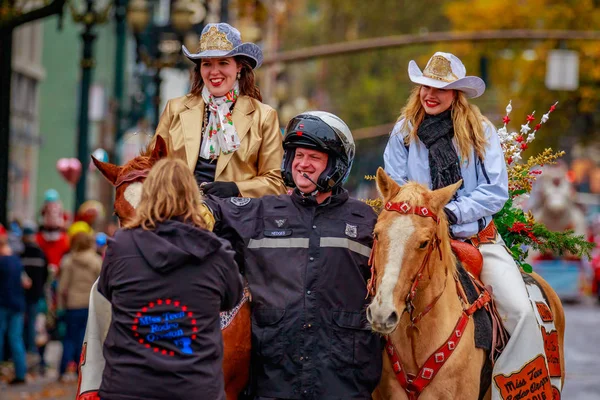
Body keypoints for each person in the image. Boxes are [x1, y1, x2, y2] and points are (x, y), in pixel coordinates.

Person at [383, 52, 558, 397]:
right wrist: (423, 218)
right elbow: (395, 185)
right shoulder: (404, 132)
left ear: (456, 94)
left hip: (476, 241)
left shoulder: (481, 132)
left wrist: (451, 213)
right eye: (425, 87)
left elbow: (496, 192)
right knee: (373, 297)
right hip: (417, 241)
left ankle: (510, 389)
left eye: (440, 89)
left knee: (521, 311)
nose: (430, 95)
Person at [205, 111, 383, 399]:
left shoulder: (367, 222)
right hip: (273, 382)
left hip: (344, 384)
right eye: (298, 155)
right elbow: (199, 213)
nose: (303, 164)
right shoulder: (260, 213)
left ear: (337, 164)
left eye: (314, 157)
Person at [95, 158, 243, 400]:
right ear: (193, 197)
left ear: (148, 194)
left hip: (127, 388)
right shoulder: (217, 253)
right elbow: (231, 298)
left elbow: (107, 291)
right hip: (195, 390)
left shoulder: (120, 247)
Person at [155, 22, 286, 198]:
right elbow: (150, 165)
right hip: (179, 215)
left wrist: (236, 188)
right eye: (207, 64)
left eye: (223, 63)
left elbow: (276, 183)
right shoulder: (175, 109)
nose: (214, 72)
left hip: (235, 220)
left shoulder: (263, 117)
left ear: (239, 66)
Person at [57, 231, 102, 381]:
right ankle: (81, 370)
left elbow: (62, 287)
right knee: (87, 339)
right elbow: (101, 285)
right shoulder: (96, 261)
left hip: (73, 304)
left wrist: (60, 306)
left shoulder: (69, 261)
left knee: (69, 338)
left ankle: (63, 369)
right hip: (90, 305)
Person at [0, 223, 30, 385]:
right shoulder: (17, 262)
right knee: (16, 339)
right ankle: (21, 372)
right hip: (17, 304)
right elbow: (26, 283)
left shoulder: (2, 262)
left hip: (3, 303)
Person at [19, 222, 49, 356]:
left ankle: (23, 349)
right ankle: (32, 351)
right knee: (33, 323)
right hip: (36, 295)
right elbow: (45, 275)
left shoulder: (21, 253)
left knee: (21, 324)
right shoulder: (40, 253)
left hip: (21, 295)